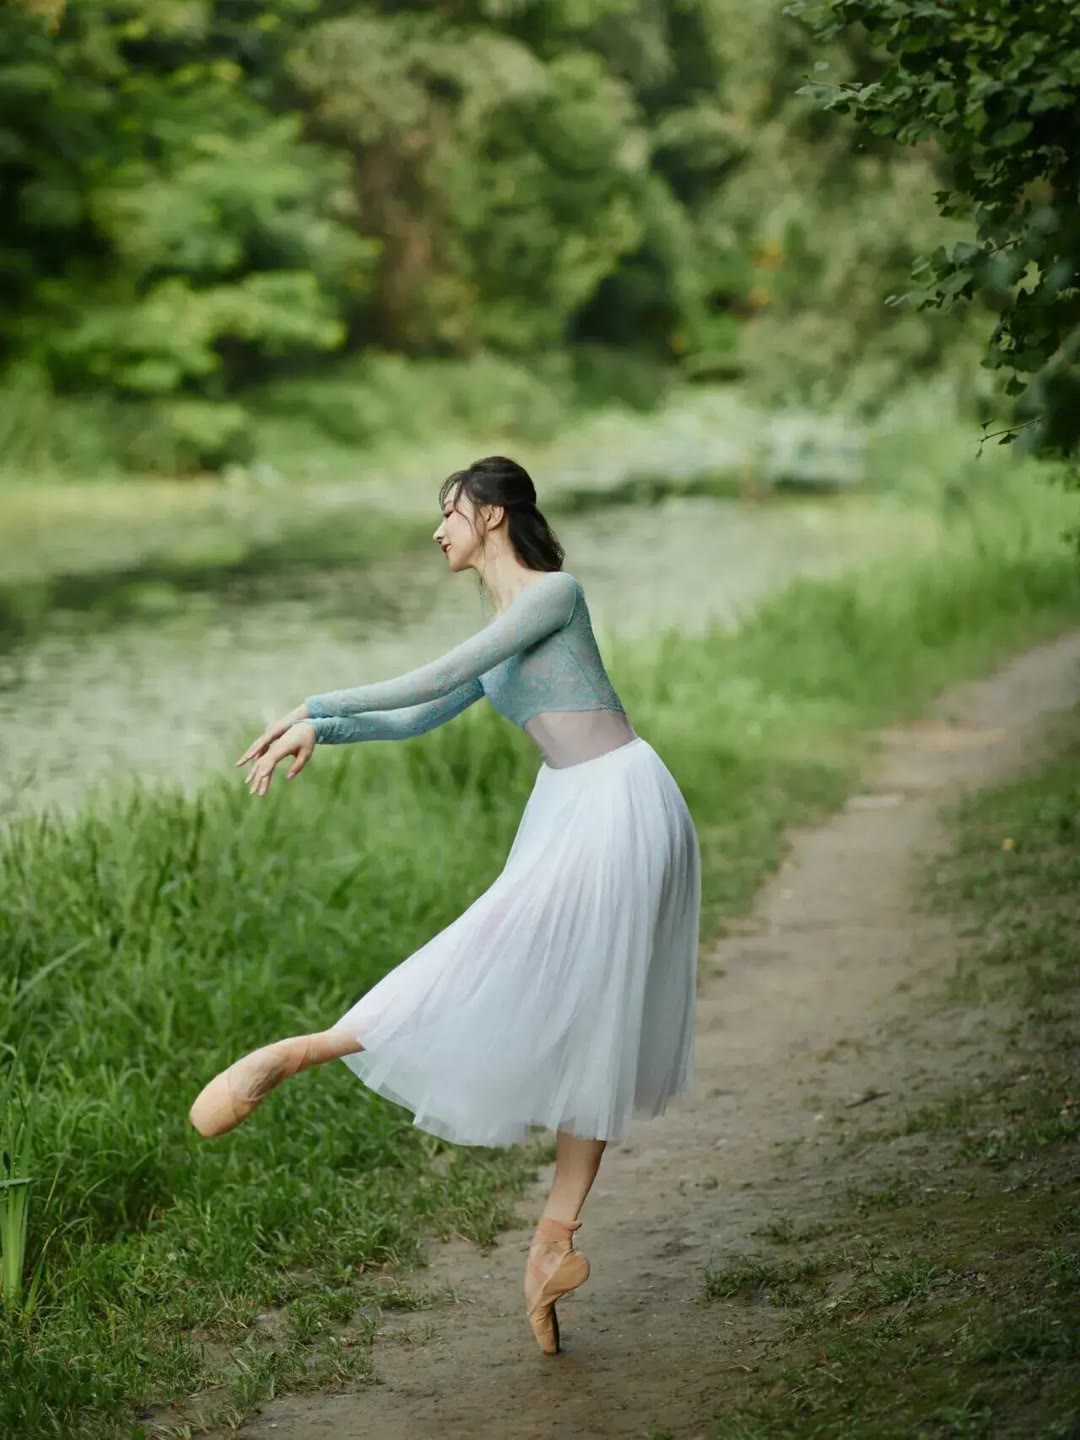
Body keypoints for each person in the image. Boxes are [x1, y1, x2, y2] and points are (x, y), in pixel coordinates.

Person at [188, 455, 701, 1356]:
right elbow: (420, 714)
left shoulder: (552, 594)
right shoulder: (506, 620)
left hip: (618, 801)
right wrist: (323, 730)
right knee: (583, 1017)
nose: (439, 530)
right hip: (573, 805)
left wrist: (311, 700)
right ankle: (550, 1252)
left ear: (493, 515)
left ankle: (303, 1051)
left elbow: (434, 674)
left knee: (512, 959)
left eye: (450, 512)